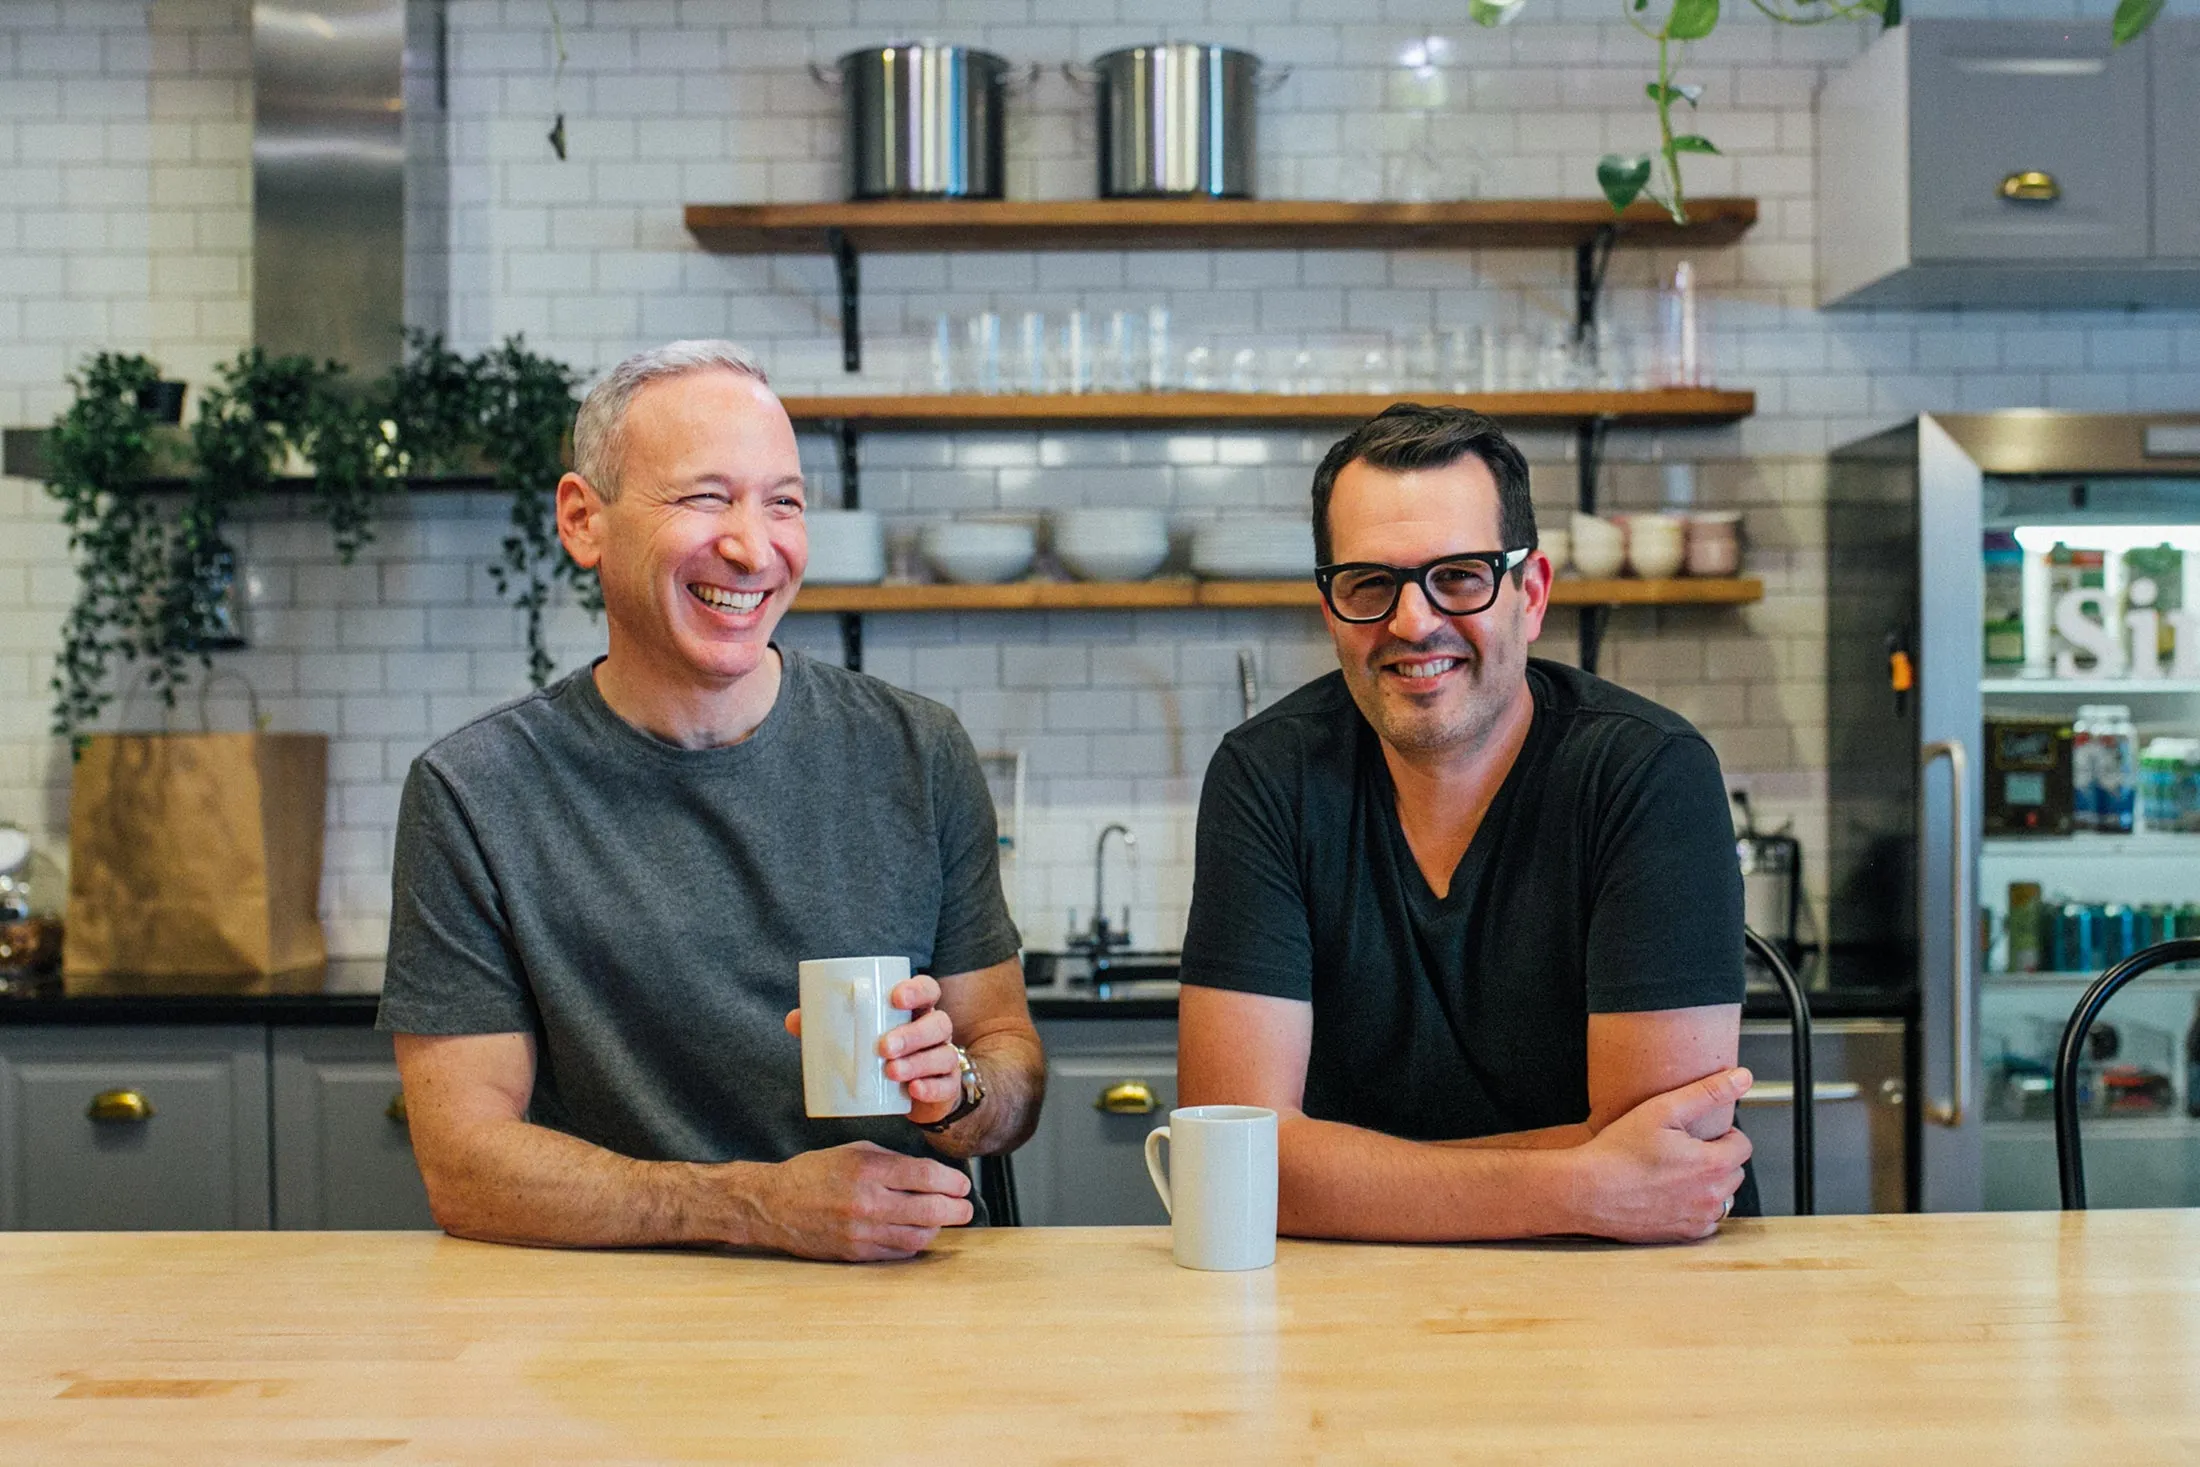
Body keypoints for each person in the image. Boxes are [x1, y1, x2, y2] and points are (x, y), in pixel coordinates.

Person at [378, 340, 1043, 1263]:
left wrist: (958, 1089)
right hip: (610, 1314)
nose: (753, 546)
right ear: (582, 520)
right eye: (704, 497)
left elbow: (1009, 1065)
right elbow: (465, 1164)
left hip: (894, 1300)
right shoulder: (476, 792)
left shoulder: (917, 751)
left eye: (784, 502)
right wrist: (751, 1205)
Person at [1176, 402, 1755, 1244]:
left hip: (1626, 1292)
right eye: (1369, 583)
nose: (1413, 621)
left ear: (1532, 593)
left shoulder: (1649, 772)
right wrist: (1583, 1182)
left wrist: (1344, 1175)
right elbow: (1232, 1166)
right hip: (1354, 1300)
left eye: (1460, 575)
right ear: (1331, 608)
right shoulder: (1267, 776)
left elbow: (1670, 1162)